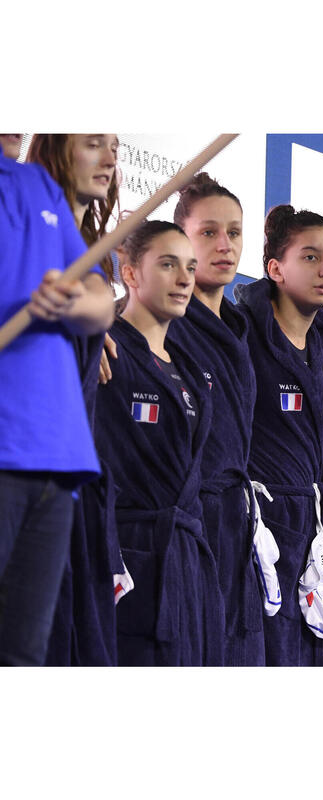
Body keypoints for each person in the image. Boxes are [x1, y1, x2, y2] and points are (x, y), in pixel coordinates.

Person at [0, 156, 114, 666]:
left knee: (24, 655)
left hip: (54, 454)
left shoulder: (37, 185)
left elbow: (98, 298)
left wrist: (69, 303)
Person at [95, 220, 224, 666]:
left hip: (186, 560)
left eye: (189, 266)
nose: (185, 279)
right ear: (129, 273)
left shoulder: (194, 369)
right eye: (168, 265)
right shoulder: (102, 347)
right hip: (125, 555)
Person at [234, 204, 323, 666]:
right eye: (310, 257)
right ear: (275, 268)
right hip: (254, 527)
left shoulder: (321, 347)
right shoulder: (241, 332)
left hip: (309, 528)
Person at [27, 133, 123, 665]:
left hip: (76, 469)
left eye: (113, 145)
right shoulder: (22, 230)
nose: (110, 157)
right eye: (92, 143)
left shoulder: (95, 259)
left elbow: (96, 304)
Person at [167, 173, 264, 666]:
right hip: (189, 519)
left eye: (234, 232)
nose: (225, 245)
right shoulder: (164, 323)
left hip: (238, 521)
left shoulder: (243, 328)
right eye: (209, 233)